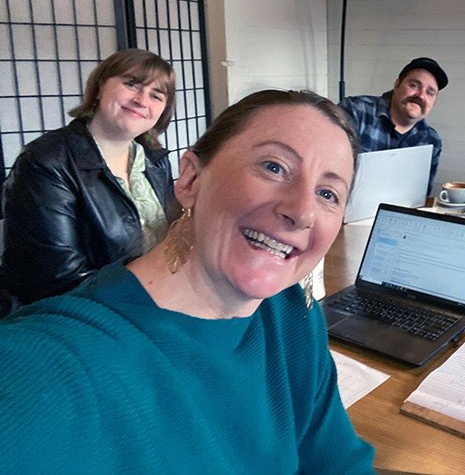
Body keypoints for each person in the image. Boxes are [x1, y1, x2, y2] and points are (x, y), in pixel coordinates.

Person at [0, 90, 375, 474]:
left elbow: (340, 463)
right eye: (274, 167)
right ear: (191, 179)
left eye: (327, 193)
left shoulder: (293, 313)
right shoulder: (51, 364)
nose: (301, 211)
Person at [2, 49, 178, 306]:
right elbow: (57, 278)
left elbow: (172, 243)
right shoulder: (46, 161)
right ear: (99, 88)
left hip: (152, 302)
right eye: (131, 85)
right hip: (80, 315)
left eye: (156, 95)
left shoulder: (154, 161)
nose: (142, 100)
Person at [339, 56, 448, 195]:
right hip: (346, 211)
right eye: (414, 85)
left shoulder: (431, 141)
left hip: (394, 215)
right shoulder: (356, 111)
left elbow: (419, 198)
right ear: (397, 84)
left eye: (430, 93)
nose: (421, 95)